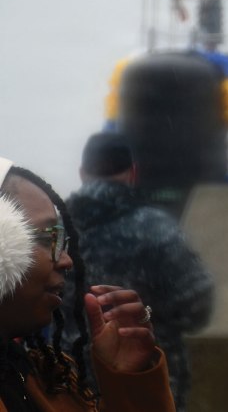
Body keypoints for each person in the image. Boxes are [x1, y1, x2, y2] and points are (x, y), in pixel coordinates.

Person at [0, 156, 175, 411]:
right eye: (50, 237)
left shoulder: (40, 376)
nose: (67, 260)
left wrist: (130, 382)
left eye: (62, 240)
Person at [61, 133, 214, 412]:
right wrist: (147, 316)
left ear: (82, 173)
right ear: (133, 173)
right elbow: (198, 308)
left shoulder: (56, 230)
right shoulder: (155, 228)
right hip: (145, 384)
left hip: (68, 383)